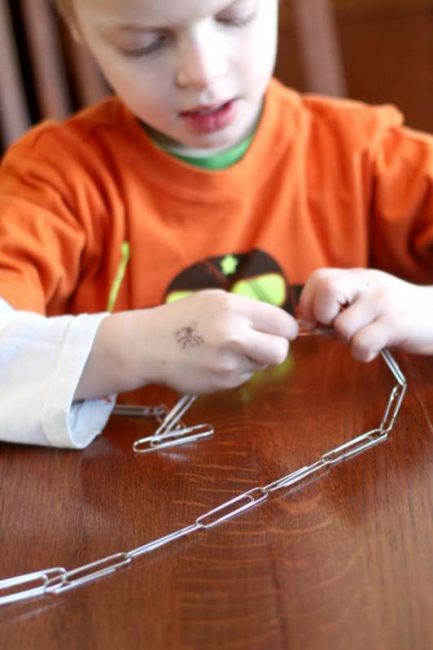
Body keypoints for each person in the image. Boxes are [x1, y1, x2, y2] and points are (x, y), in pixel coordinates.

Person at [0, 0, 433, 449]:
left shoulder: (362, 153)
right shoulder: (54, 180)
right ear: (79, 33)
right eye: (143, 44)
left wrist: (423, 309)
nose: (202, 74)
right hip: (129, 495)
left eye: (233, 18)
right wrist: (133, 347)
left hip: (337, 481)